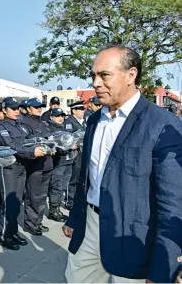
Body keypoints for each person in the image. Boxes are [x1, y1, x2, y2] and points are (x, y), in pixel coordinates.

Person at [63, 44, 182, 283]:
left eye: (104, 75)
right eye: (93, 75)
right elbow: (87, 176)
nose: (96, 83)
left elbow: (173, 203)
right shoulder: (95, 120)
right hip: (90, 226)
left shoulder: (162, 124)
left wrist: (163, 269)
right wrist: (75, 219)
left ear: (131, 75)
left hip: (134, 237)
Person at [0, 97, 46, 250]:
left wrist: (46, 142)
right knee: (9, 203)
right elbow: (12, 147)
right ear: (4, 110)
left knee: (17, 203)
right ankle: (5, 235)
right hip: (9, 168)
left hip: (21, 167)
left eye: (18, 108)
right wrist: (32, 152)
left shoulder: (20, 126)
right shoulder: (1, 127)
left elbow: (30, 140)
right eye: (13, 108)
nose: (17, 111)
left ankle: (12, 232)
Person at [21, 98, 53, 236]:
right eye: (36, 107)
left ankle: (38, 221)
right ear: (28, 109)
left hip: (47, 162)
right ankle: (30, 223)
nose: (39, 109)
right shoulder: (24, 123)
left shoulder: (43, 123)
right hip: (35, 165)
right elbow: (26, 143)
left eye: (40, 106)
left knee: (42, 196)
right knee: (33, 195)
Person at [45, 108, 72, 222]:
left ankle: (57, 209)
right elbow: (53, 147)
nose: (60, 118)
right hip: (57, 163)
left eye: (62, 116)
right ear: (51, 117)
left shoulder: (64, 127)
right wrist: (67, 147)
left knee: (62, 187)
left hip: (68, 161)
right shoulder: (49, 129)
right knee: (56, 187)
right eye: (57, 116)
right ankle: (53, 211)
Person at [64, 100, 86, 210]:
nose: (83, 111)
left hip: (82, 152)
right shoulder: (69, 121)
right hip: (74, 153)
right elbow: (67, 137)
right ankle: (69, 201)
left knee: (79, 178)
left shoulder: (83, 121)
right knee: (72, 178)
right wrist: (74, 144)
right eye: (81, 109)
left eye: (83, 109)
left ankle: (76, 199)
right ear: (74, 110)